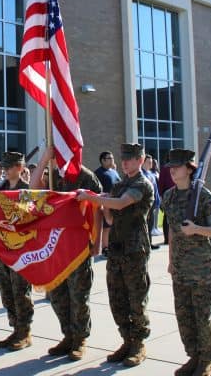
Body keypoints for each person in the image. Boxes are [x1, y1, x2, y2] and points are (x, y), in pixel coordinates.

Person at [77, 143, 153, 367]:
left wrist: (92, 198)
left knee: (136, 300)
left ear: (140, 160)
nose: (125, 163)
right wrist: (103, 206)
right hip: (117, 249)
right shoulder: (120, 185)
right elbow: (111, 218)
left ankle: (138, 344)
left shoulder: (141, 184)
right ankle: (127, 340)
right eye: (124, 159)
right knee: (117, 299)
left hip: (135, 251)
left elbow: (120, 204)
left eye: (130, 159)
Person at [33, 147, 102, 361]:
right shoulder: (54, 176)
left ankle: (80, 339)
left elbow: (97, 208)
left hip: (78, 247)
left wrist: (98, 242)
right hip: (56, 247)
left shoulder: (86, 177)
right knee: (56, 294)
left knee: (78, 295)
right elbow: (33, 190)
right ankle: (68, 335)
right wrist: (44, 160)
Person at [161, 149, 211, 376]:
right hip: (180, 269)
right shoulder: (169, 197)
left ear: (189, 168)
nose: (172, 170)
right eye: (171, 167)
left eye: (177, 166)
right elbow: (172, 233)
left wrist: (196, 229)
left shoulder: (204, 196)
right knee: (184, 317)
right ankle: (193, 356)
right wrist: (170, 261)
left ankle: (206, 360)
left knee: (202, 317)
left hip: (202, 270)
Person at [0, 151, 34, 351]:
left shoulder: (26, 191)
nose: (4, 170)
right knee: (6, 291)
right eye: (4, 167)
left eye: (8, 167)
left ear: (19, 168)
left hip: (19, 250)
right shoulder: (0, 188)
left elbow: (28, 218)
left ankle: (25, 332)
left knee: (20, 291)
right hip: (2, 249)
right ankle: (15, 328)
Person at [95, 151, 121, 257]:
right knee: (105, 227)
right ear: (103, 160)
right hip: (105, 203)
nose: (112, 160)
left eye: (112, 158)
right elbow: (96, 189)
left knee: (113, 225)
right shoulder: (98, 173)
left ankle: (111, 245)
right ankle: (105, 248)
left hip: (116, 202)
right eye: (109, 158)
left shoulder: (114, 171)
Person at [141, 154, 161, 250]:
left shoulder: (151, 174)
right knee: (146, 224)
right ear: (143, 162)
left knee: (150, 224)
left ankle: (150, 243)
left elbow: (155, 189)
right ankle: (145, 244)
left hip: (153, 203)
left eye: (151, 162)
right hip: (146, 204)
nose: (151, 164)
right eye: (149, 162)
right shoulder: (142, 174)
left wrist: (157, 201)